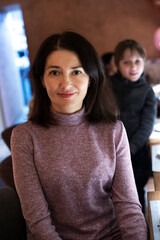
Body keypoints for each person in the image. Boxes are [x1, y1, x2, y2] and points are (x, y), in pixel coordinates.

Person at [11, 31, 148, 240]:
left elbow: (128, 207)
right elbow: (38, 220)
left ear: (91, 78)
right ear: (42, 80)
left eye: (76, 72)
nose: (66, 84)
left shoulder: (113, 130)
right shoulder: (24, 137)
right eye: (55, 73)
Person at [111, 39, 157, 214]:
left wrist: (129, 149)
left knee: (135, 196)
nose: (133, 67)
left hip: (135, 154)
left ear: (144, 62)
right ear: (117, 64)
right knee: (110, 199)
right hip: (110, 152)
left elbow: (146, 125)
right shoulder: (108, 86)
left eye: (138, 61)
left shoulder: (147, 92)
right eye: (126, 62)